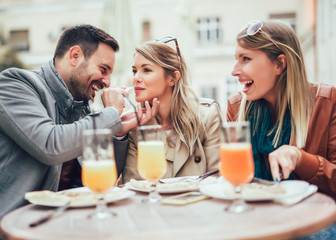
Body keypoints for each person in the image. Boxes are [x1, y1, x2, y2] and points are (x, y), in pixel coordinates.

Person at [0, 24, 158, 240]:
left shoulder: (83, 108)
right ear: (75, 56)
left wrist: (119, 130)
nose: (107, 81)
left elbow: (101, 178)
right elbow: (50, 145)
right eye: (103, 69)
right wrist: (110, 115)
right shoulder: (15, 84)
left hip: (54, 228)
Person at [227, 20, 336, 199]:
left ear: (279, 63)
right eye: (236, 59)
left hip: (313, 219)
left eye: (246, 59)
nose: (234, 71)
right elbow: (231, 180)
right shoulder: (236, 107)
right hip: (255, 216)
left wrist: (300, 159)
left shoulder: (326, 101)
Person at [122, 37, 221, 183]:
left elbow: (217, 179)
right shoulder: (134, 125)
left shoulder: (207, 116)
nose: (136, 78)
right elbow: (134, 186)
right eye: (134, 71)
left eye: (146, 70)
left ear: (172, 78)